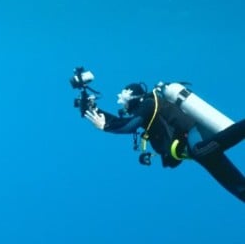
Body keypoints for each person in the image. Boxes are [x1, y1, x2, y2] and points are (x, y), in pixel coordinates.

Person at [84, 81, 245, 202]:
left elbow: (127, 126)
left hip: (193, 133)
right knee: (234, 184)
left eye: (124, 96)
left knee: (200, 151)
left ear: (133, 95)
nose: (121, 101)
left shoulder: (148, 104)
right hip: (188, 147)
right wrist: (91, 109)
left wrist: (105, 127)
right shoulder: (145, 113)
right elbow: (121, 123)